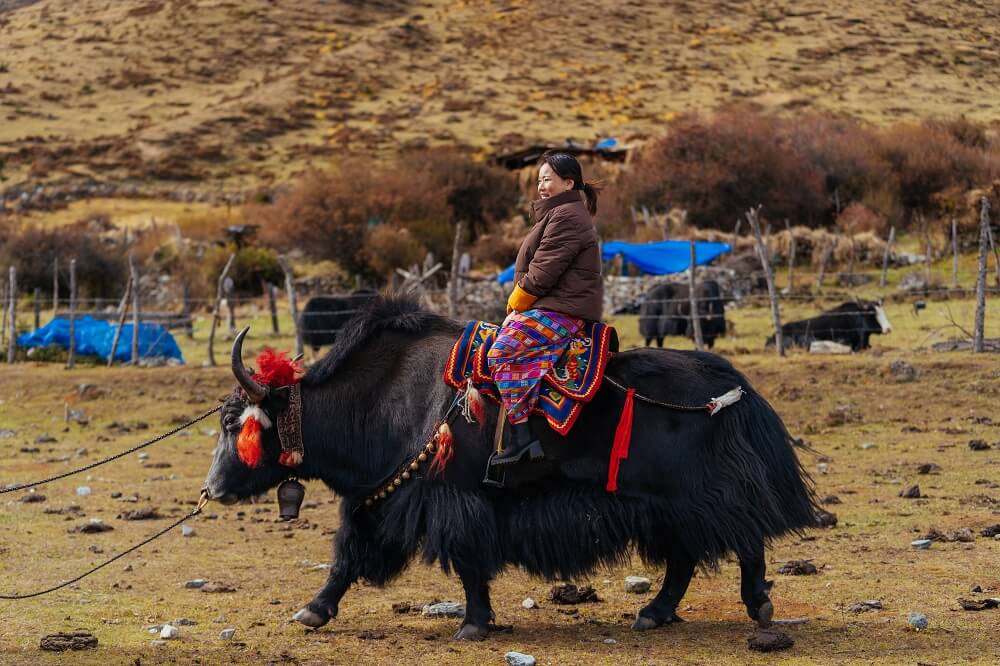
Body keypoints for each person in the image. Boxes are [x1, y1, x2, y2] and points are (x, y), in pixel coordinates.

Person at [486, 151, 603, 467]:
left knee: (501, 354)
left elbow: (543, 272)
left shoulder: (566, 216)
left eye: (547, 179)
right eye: (539, 180)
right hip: (554, 304)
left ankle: (522, 439)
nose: (541, 186)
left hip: (562, 310)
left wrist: (517, 302)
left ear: (568, 182)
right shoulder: (559, 214)